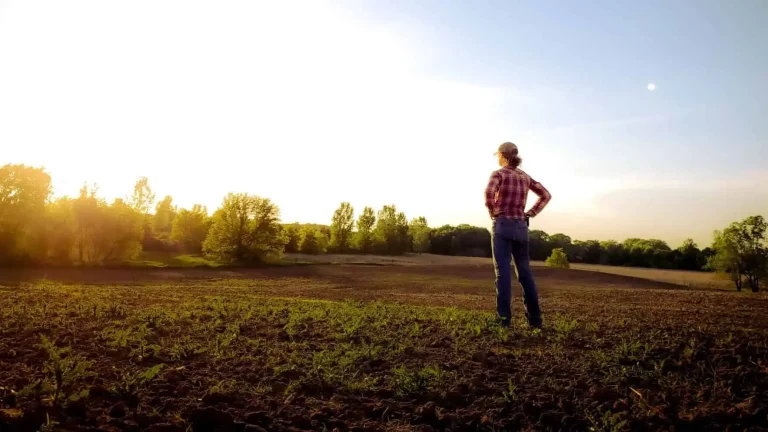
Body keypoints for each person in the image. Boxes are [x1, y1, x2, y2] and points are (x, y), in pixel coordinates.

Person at [485, 142, 551, 328]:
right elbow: (545, 195)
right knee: (525, 274)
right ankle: (535, 320)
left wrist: (493, 211)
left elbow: (489, 193)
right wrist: (530, 213)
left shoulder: (498, 174)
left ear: (502, 155)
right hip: (521, 227)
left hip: (502, 225)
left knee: (503, 273)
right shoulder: (524, 176)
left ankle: (504, 319)